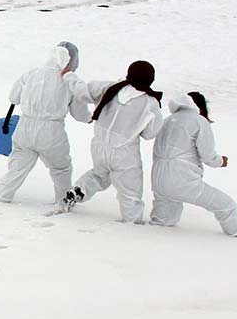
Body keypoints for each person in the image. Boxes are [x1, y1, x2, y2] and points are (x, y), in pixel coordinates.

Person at [62, 60, 164, 222]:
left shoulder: (110, 87)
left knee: (98, 175)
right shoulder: (150, 103)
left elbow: (82, 91)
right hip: (125, 153)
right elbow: (150, 133)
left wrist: (68, 75)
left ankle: (77, 191)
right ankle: (132, 225)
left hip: (99, 146)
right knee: (130, 192)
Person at [0, 42, 91, 203]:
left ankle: (1, 196)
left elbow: (14, 97)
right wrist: (90, 118)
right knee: (61, 168)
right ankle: (63, 201)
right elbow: (79, 113)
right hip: (51, 131)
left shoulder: (32, 73)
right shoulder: (68, 81)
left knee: (18, 166)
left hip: (25, 126)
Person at [150, 92, 237, 236]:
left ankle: (146, 238)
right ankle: (236, 234)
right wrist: (220, 161)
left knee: (164, 221)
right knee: (226, 206)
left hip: (158, 180)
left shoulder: (167, 120)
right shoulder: (199, 121)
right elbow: (208, 155)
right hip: (182, 180)